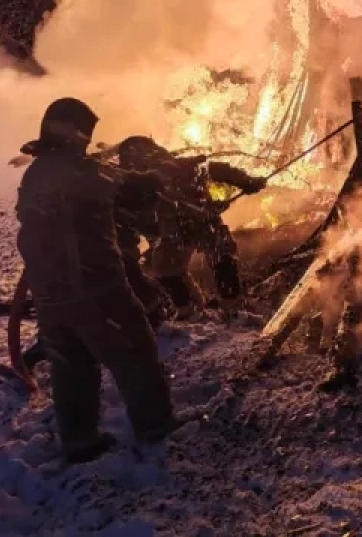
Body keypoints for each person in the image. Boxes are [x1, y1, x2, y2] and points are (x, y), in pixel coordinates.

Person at [15, 97, 181, 464]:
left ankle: (79, 440)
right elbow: (125, 188)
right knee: (134, 349)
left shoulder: (38, 171)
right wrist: (155, 177)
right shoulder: (80, 173)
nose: (89, 143)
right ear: (75, 134)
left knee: (72, 365)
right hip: (94, 287)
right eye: (86, 136)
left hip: (51, 295)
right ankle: (155, 425)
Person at [116, 136, 267, 312]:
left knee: (214, 257)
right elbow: (216, 169)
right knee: (173, 268)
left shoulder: (176, 169)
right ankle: (204, 308)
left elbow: (214, 169)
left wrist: (246, 181)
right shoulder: (148, 178)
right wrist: (246, 181)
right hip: (177, 230)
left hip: (194, 225)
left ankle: (214, 309)